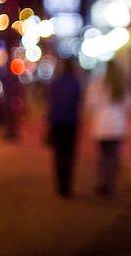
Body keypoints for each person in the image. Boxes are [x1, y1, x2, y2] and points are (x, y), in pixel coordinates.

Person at [86, 58, 131, 196]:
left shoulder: (97, 84)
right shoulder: (122, 85)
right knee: (113, 157)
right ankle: (110, 183)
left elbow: (90, 104)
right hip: (117, 126)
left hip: (101, 126)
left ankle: (102, 182)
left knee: (102, 156)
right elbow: (130, 105)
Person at [46, 57, 82, 197]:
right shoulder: (76, 83)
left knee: (58, 155)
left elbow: (51, 100)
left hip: (56, 122)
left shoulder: (55, 83)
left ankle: (60, 186)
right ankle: (67, 186)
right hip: (71, 122)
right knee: (69, 155)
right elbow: (78, 100)